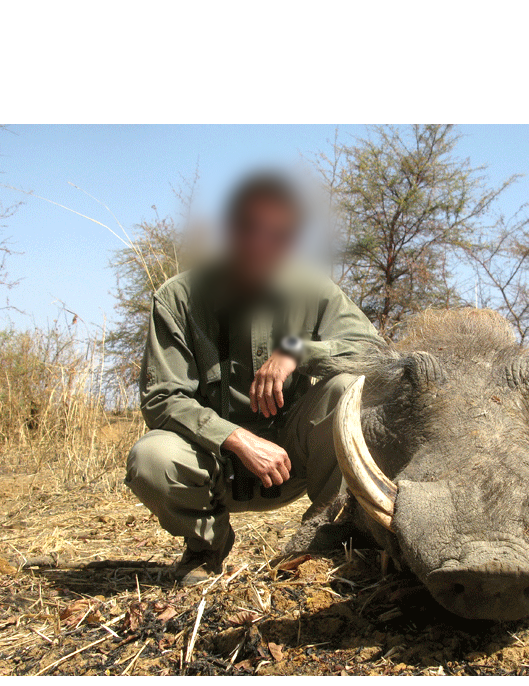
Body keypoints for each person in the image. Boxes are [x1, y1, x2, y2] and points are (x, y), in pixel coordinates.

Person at [125, 173, 380, 585]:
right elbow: (162, 399)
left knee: (347, 388)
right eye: (250, 229)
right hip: (213, 466)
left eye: (278, 234)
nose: (263, 244)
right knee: (151, 458)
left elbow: (373, 352)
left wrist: (298, 351)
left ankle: (331, 539)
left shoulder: (313, 288)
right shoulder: (176, 298)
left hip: (292, 461)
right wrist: (238, 439)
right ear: (230, 229)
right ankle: (205, 548)